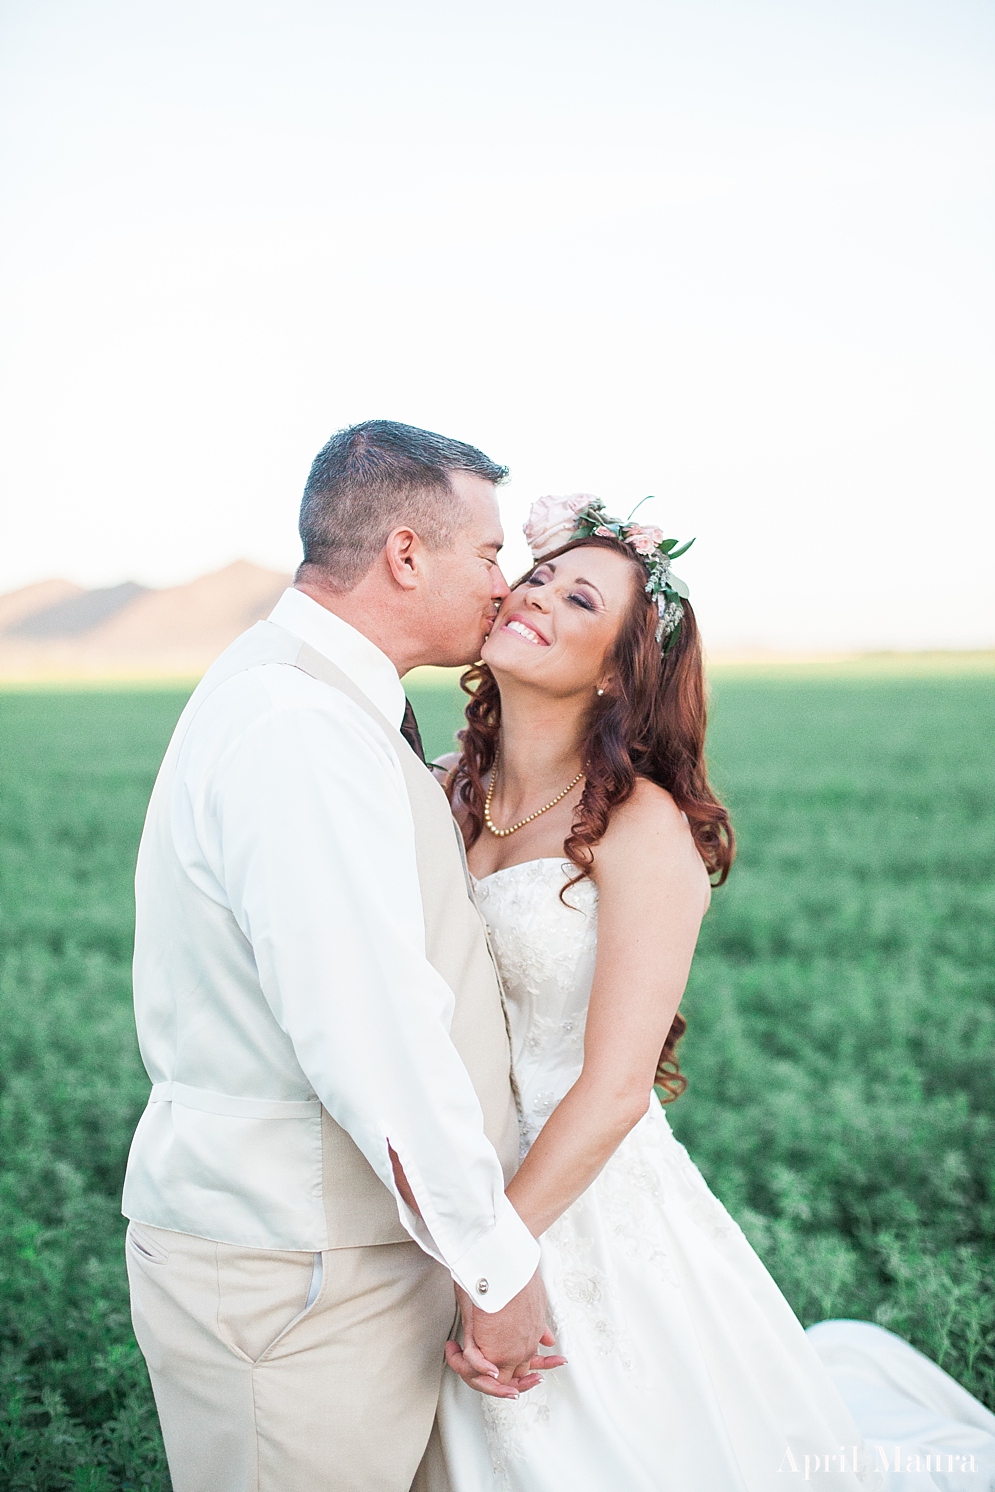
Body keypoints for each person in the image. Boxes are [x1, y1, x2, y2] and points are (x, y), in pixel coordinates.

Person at [121, 421, 565, 1492]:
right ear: (405, 554)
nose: (504, 583)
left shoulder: (324, 705)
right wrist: (495, 1265)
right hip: (295, 1278)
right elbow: (368, 1028)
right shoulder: (297, 729)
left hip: (347, 1253)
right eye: (488, 553)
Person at [414, 493, 884, 1490]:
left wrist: (493, 1257)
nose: (534, 596)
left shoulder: (641, 829)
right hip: (439, 1176)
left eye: (577, 599)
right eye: (536, 575)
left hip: (573, 1197)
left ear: (619, 669)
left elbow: (616, 1087)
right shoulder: (437, 786)